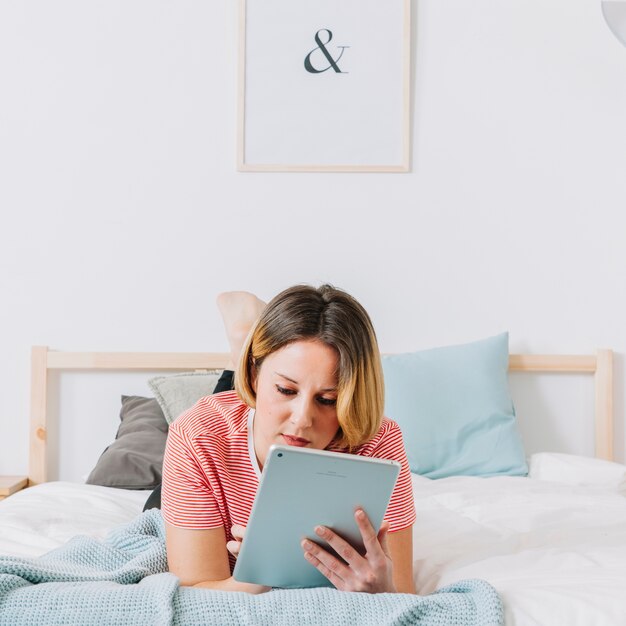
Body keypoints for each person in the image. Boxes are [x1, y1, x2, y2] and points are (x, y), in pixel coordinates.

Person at [161, 285, 416, 594]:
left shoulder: (379, 443)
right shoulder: (197, 436)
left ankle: (254, 350)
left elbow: (402, 592)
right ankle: (242, 341)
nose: (302, 419)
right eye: (286, 391)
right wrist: (259, 575)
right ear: (255, 376)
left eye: (327, 399)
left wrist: (382, 590)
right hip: (223, 438)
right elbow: (195, 594)